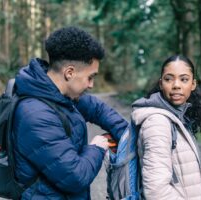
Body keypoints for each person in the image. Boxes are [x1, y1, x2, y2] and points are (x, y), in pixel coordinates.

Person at [12, 26, 128, 199]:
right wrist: (97, 147)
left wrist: (128, 137)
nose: (91, 85)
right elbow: (75, 177)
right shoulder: (35, 115)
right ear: (69, 73)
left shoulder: (59, 94)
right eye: (90, 77)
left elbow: (98, 109)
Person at [131, 55, 201, 199]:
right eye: (169, 79)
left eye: (184, 79)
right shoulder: (157, 123)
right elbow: (156, 191)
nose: (176, 85)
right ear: (161, 84)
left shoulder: (178, 118)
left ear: (193, 84)